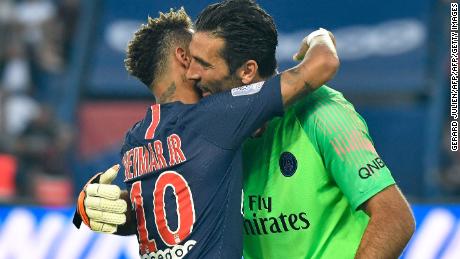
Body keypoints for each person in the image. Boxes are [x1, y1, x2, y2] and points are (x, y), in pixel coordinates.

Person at [73, 3, 339, 259]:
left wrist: (94, 207)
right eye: (198, 54)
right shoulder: (217, 115)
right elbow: (322, 65)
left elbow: (144, 217)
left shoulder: (134, 140)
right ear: (183, 56)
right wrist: (320, 37)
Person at [186, 1, 415, 258]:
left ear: (247, 71)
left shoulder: (324, 114)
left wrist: (320, 37)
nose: (191, 74)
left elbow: (395, 217)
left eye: (204, 64)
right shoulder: (213, 132)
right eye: (191, 61)